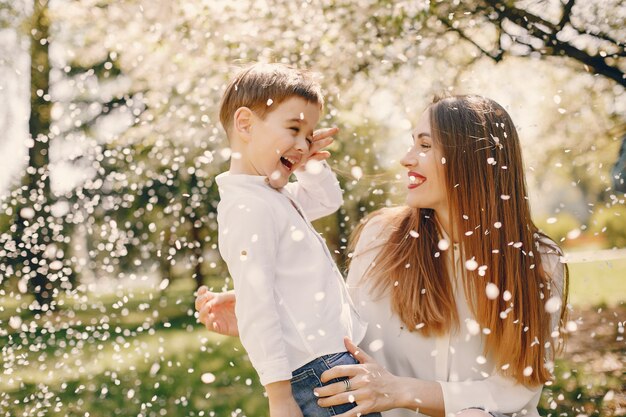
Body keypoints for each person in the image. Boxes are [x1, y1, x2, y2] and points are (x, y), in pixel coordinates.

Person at [197, 94, 568, 417]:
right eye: (411, 143)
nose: (406, 159)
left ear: (471, 159)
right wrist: (278, 310)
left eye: (425, 145)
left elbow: (515, 390)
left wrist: (399, 391)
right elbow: (349, 339)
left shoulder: (537, 261)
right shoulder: (382, 238)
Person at [212, 62, 380, 417]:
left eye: (310, 134)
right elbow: (256, 307)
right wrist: (278, 396)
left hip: (331, 360)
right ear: (245, 124)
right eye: (293, 128)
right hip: (316, 370)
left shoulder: (271, 195)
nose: (303, 144)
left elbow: (325, 201)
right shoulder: (249, 207)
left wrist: (307, 164)